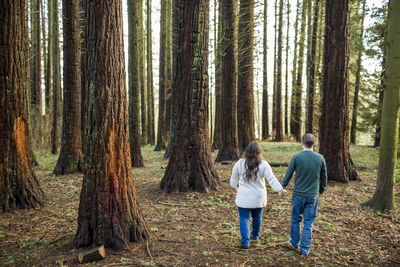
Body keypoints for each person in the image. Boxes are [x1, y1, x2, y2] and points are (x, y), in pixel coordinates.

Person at [230, 141, 287, 249]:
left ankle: (245, 242)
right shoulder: (263, 164)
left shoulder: (240, 163)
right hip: (258, 198)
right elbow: (272, 179)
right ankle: (255, 236)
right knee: (257, 217)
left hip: (243, 198)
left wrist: (233, 187)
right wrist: (280, 190)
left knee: (244, 218)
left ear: (247, 151)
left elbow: (234, 178)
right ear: (259, 152)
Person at [281, 133, 327, 255]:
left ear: (302, 142)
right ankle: (305, 249)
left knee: (295, 220)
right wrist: (321, 190)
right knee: (308, 223)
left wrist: (282, 187)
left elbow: (288, 174)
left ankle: (294, 243)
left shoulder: (297, 157)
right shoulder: (320, 158)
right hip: (312, 196)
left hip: (298, 195)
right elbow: (324, 177)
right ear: (314, 143)